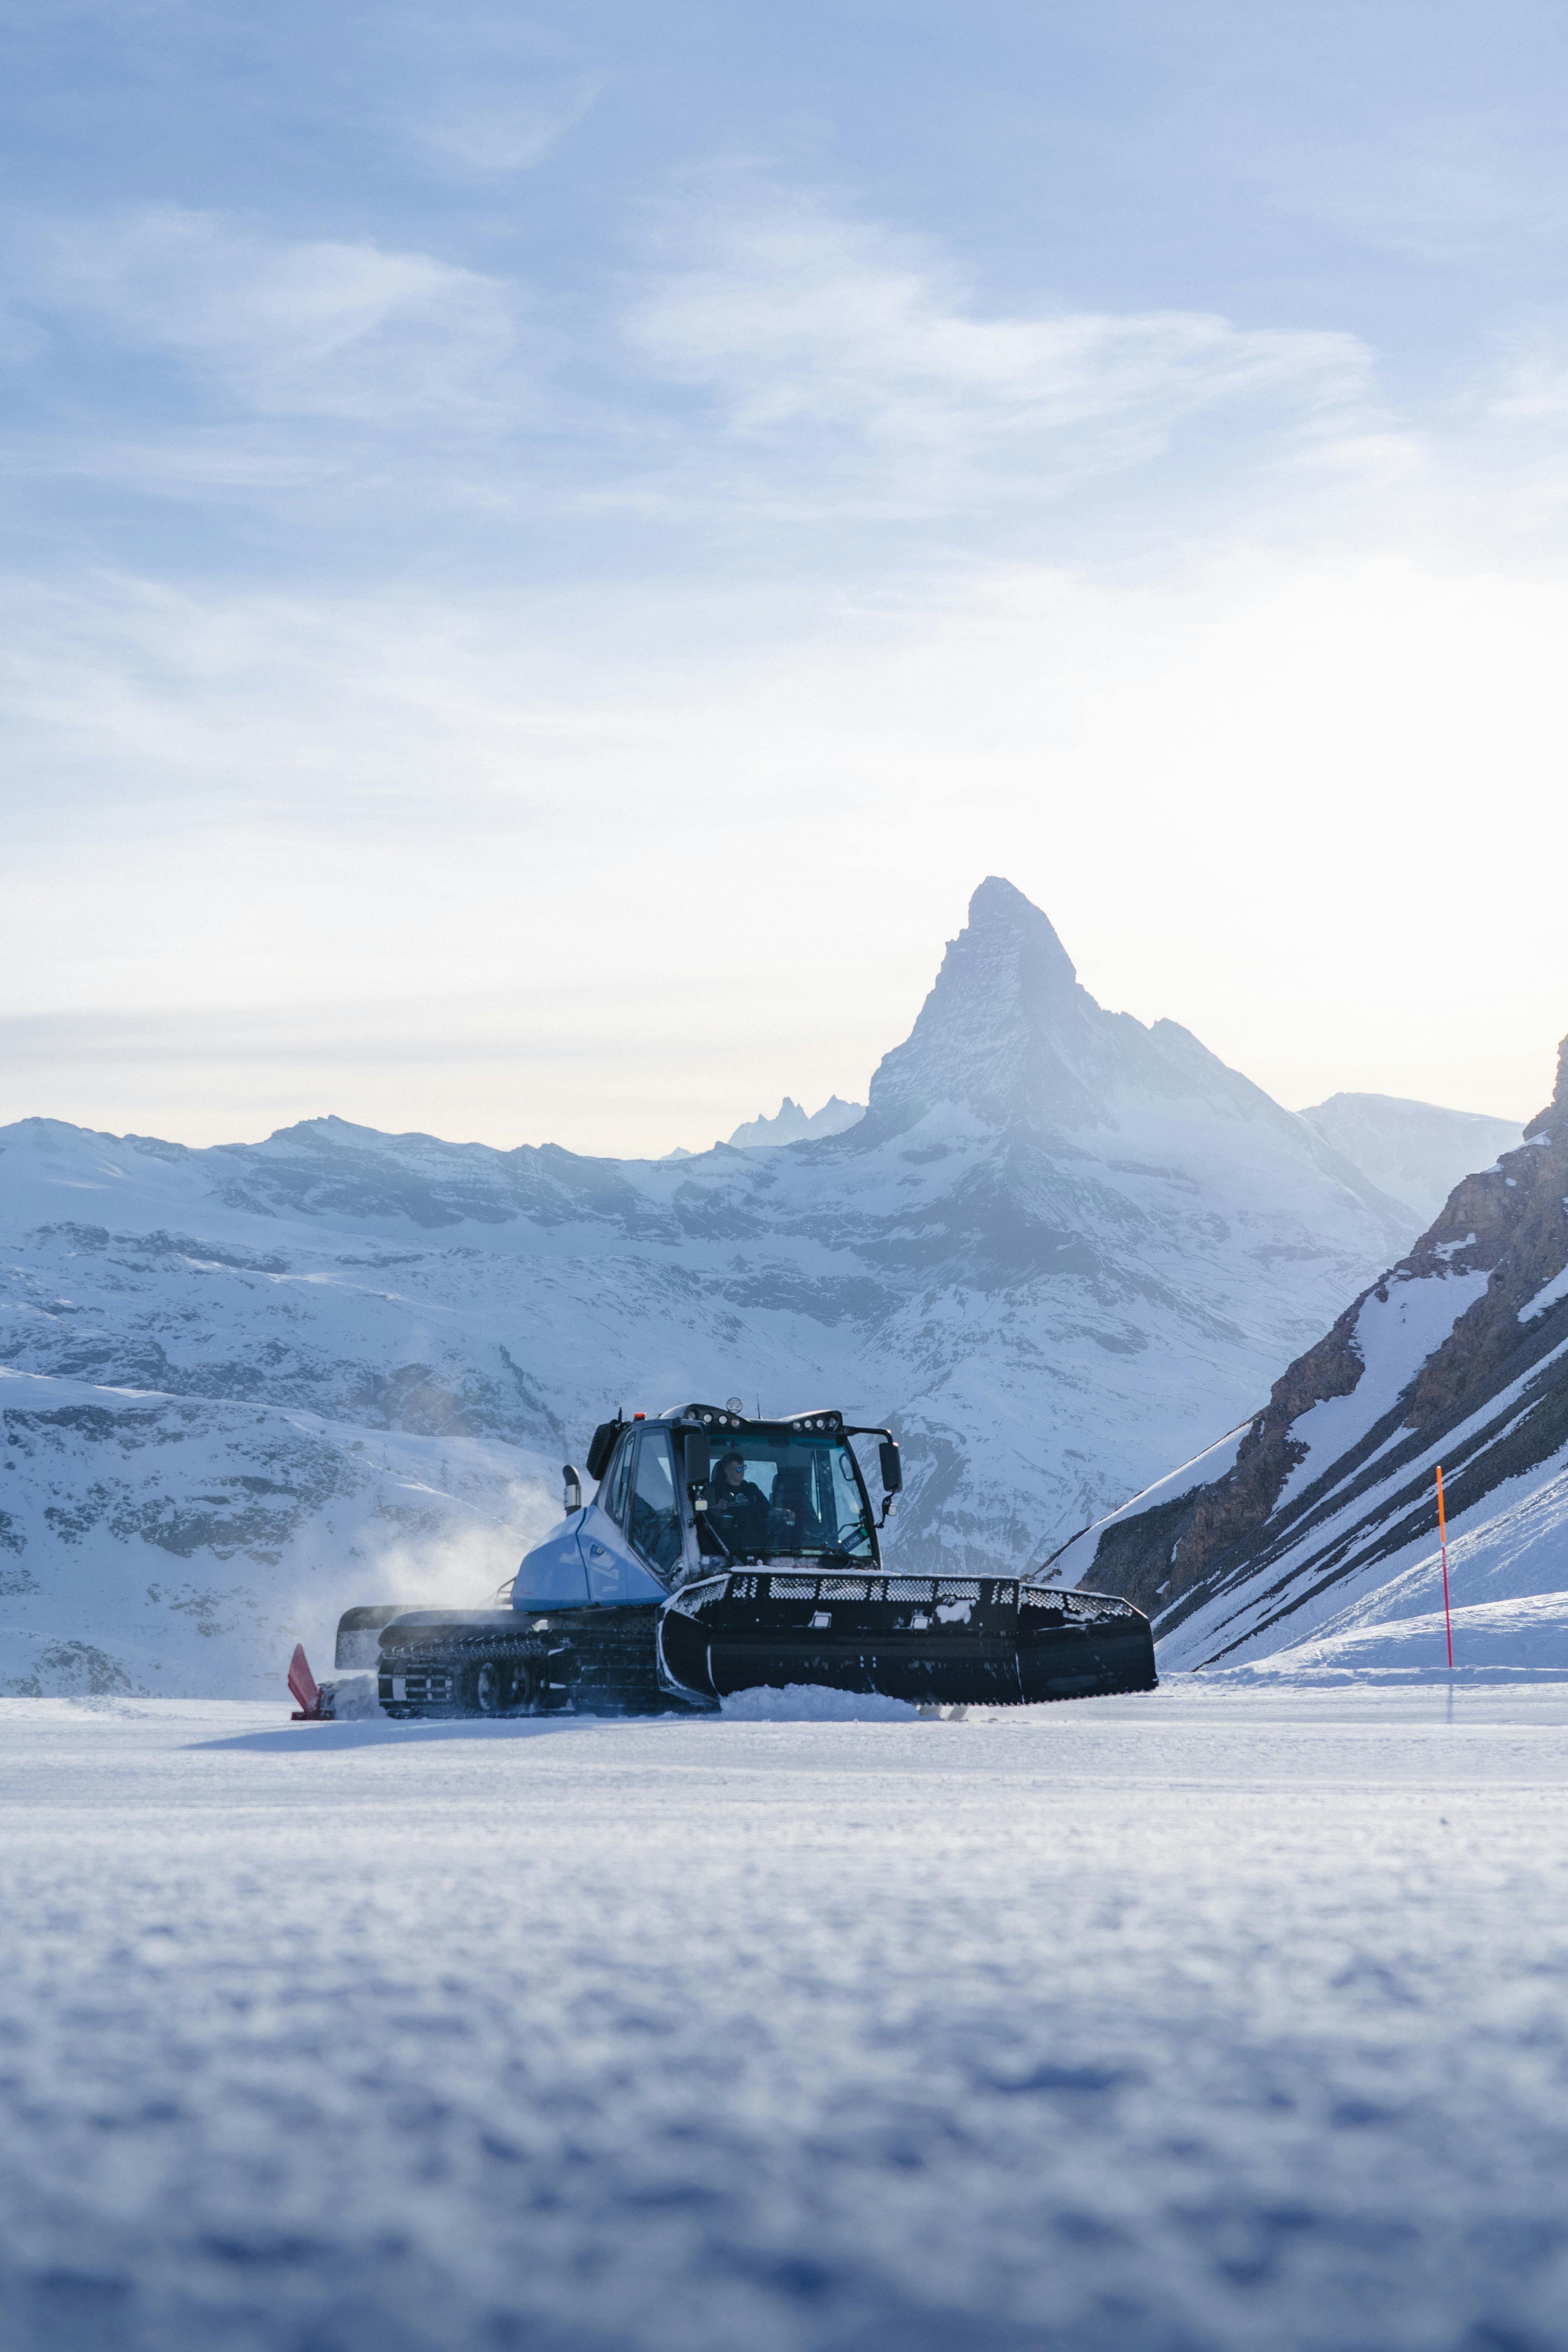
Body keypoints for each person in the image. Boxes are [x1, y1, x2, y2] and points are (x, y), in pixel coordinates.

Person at [710, 1450, 770, 1552]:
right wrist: (717, 1507)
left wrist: (783, 1512)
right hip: (726, 1546)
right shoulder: (713, 1490)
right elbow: (703, 1515)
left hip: (756, 1543)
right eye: (738, 1470)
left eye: (743, 1468)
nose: (742, 1472)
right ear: (727, 1471)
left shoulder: (752, 1489)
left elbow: (768, 1509)